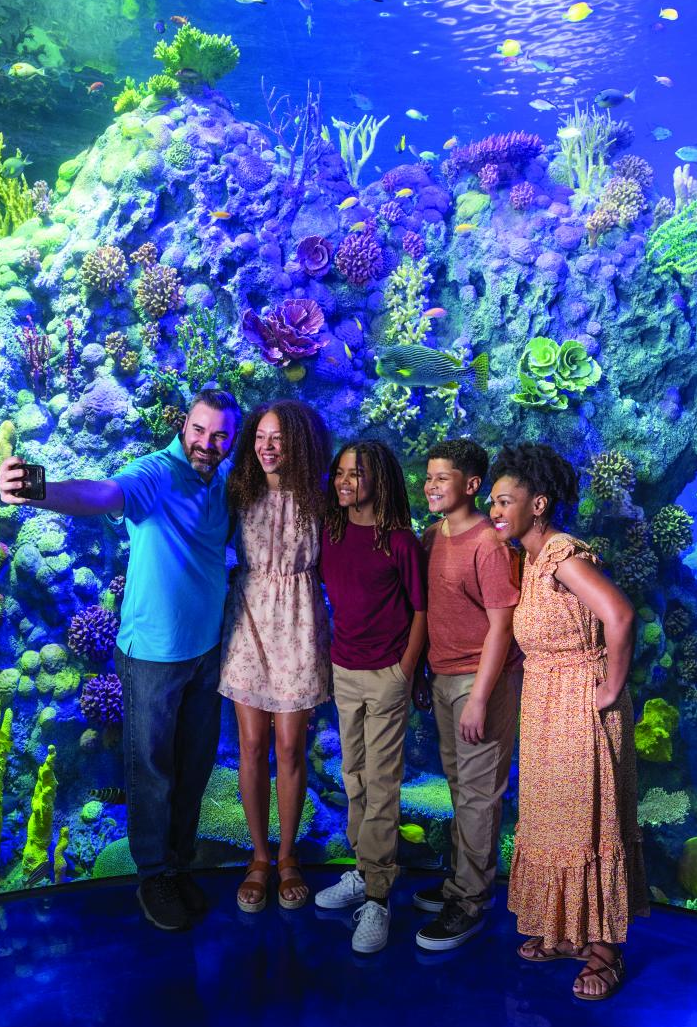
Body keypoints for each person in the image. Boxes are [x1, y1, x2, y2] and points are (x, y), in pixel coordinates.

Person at [0, 388, 241, 933]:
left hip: (206, 654)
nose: (207, 443)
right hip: (152, 655)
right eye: (199, 430)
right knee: (151, 770)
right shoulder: (155, 473)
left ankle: (177, 864)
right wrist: (34, 487)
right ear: (184, 425)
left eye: (220, 435)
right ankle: (153, 874)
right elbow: (101, 494)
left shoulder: (224, 481)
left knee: (195, 766)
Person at [488, 442, 648, 1001]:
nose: (495, 509)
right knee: (555, 821)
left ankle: (604, 948)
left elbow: (620, 615)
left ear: (540, 504)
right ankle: (564, 931)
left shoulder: (562, 555)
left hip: (580, 705)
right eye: (492, 501)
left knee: (590, 822)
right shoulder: (529, 559)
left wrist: (610, 686)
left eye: (506, 500)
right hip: (546, 704)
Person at [314, 440, 428, 953]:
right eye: (339, 473)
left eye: (355, 475)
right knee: (354, 778)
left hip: (386, 674)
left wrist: (405, 670)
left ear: (379, 480)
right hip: (344, 670)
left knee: (381, 784)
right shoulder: (331, 531)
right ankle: (363, 873)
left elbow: (421, 611)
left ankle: (379, 899)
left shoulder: (400, 541)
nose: (343, 482)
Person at [220, 400, 331, 914]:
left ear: (300, 444)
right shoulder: (238, 491)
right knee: (251, 741)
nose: (267, 447)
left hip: (300, 622)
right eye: (261, 437)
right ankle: (259, 857)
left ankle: (288, 856)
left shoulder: (319, 498)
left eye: (279, 438)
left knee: (290, 745)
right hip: (248, 620)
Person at [414, 438, 522, 951]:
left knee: (479, 796)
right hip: (442, 676)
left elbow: (502, 626)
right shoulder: (433, 536)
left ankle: (470, 903)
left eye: (442, 477)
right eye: (428, 476)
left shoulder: (489, 544)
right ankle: (461, 878)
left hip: (483, 680)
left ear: (472, 485)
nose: (430, 485)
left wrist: (479, 698)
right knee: (460, 789)